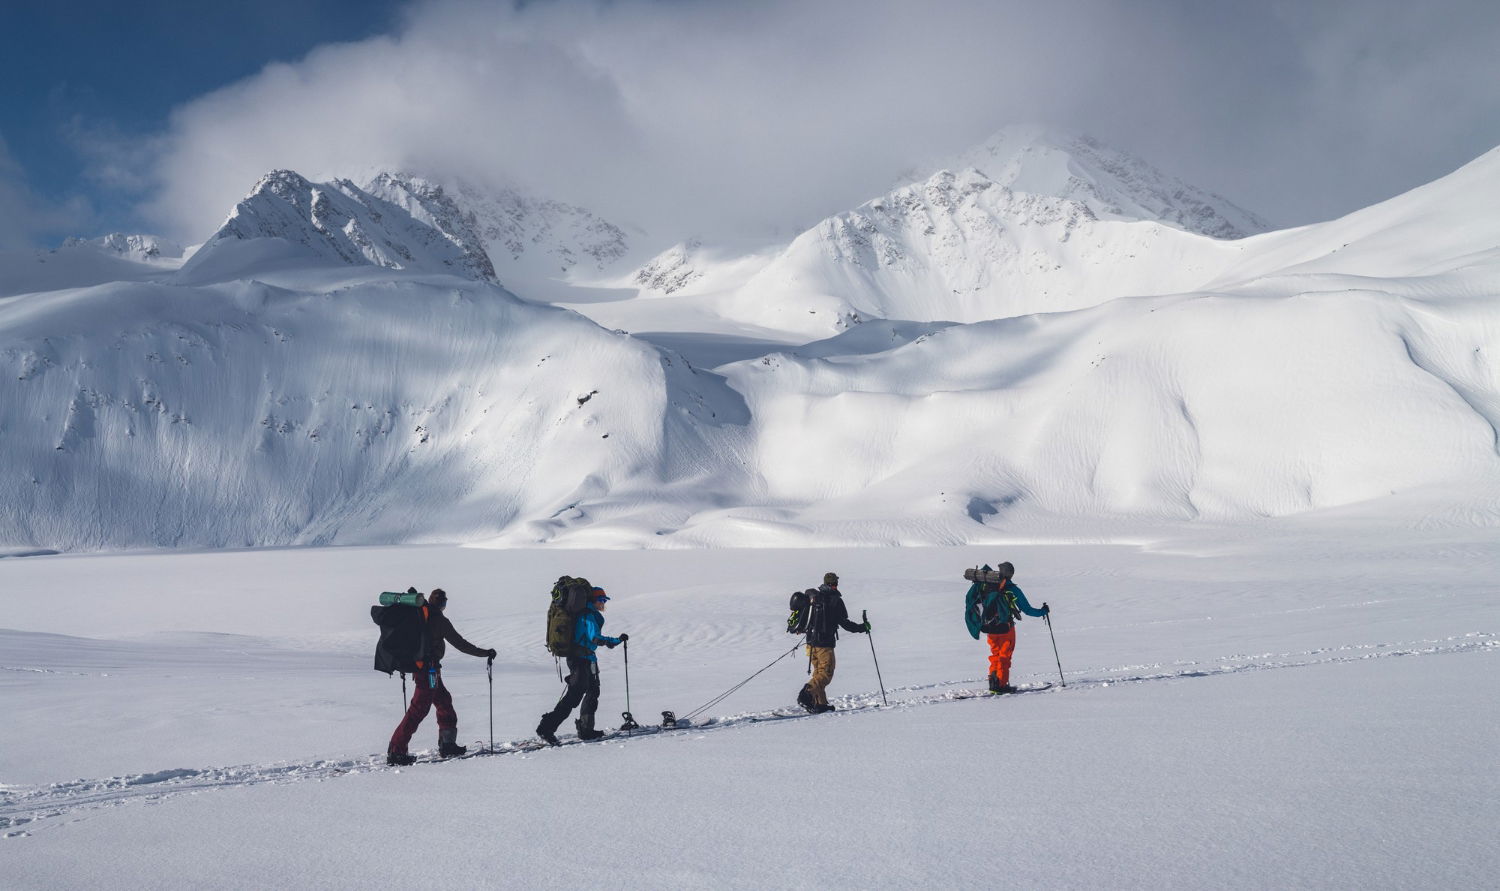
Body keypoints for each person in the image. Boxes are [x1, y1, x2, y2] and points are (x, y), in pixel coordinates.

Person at [386, 588, 497, 766]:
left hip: (427, 670)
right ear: (443, 604)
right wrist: (485, 653)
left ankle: (448, 744)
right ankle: (396, 751)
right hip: (427, 671)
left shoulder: (420, 615)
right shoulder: (439, 620)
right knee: (418, 710)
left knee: (444, 701)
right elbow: (461, 644)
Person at [536, 587, 625, 745]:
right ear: (593, 601)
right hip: (580, 660)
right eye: (601, 600)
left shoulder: (588, 614)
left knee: (592, 692)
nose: (603, 603)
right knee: (573, 697)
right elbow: (595, 638)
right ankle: (546, 728)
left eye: (604, 601)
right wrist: (615, 640)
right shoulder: (588, 615)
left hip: (588, 658)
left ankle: (586, 730)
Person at [964, 562, 1048, 694]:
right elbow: (1027, 610)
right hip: (1005, 628)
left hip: (988, 627)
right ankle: (1001, 685)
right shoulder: (1011, 589)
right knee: (1004, 656)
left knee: (995, 654)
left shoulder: (985, 585)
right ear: (1010, 573)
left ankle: (993, 682)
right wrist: (1043, 611)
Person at [796, 572, 869, 713]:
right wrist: (862, 628)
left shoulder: (815, 598)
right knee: (826, 674)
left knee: (818, 672)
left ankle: (820, 704)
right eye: (835, 583)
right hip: (824, 644)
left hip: (810, 644)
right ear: (834, 584)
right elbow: (845, 624)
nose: (836, 586)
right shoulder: (835, 600)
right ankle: (806, 694)